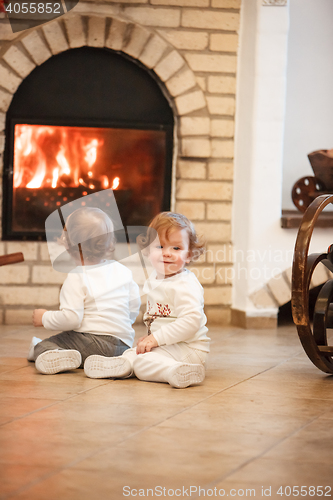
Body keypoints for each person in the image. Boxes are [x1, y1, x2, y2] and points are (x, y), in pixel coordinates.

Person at [84, 212, 210, 388]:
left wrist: (156, 339)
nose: (167, 253)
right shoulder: (156, 279)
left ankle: (176, 370)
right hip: (169, 345)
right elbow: (162, 319)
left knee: (144, 363)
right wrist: (152, 337)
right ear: (148, 250)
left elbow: (192, 321)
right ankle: (122, 364)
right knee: (133, 352)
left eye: (176, 248)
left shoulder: (185, 284)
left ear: (189, 255)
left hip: (189, 349)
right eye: (160, 247)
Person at [29, 207, 140, 375]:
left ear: (67, 244)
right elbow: (133, 307)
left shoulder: (77, 276)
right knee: (75, 341)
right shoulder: (123, 271)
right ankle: (112, 363)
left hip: (91, 342)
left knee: (42, 346)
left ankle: (60, 356)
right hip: (123, 344)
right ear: (109, 243)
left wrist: (44, 317)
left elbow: (72, 319)